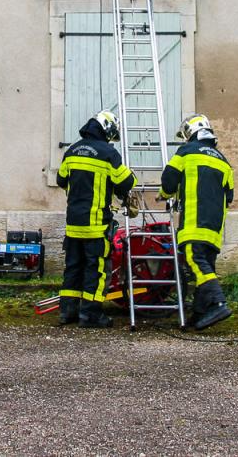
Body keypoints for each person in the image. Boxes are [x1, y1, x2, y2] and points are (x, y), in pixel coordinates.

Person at [56, 110, 135, 328]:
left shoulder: (72, 151)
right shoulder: (108, 153)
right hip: (96, 226)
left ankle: (67, 312)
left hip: (73, 225)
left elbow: (61, 180)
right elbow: (126, 182)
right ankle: (90, 314)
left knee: (73, 267)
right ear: (107, 130)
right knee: (96, 269)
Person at [160, 113, 235, 330]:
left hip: (194, 223)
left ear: (190, 132)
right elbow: (229, 196)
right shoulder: (223, 160)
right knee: (205, 266)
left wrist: (164, 195)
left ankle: (219, 303)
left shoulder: (186, 152)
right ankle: (200, 314)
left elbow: (168, 181)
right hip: (214, 228)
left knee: (195, 261)